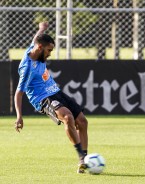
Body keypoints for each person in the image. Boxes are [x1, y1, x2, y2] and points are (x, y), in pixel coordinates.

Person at [14, 21, 89, 173]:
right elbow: (18, 93)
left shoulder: (34, 47)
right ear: (40, 48)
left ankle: (86, 159)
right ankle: (81, 157)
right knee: (68, 117)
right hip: (43, 99)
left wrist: (42, 28)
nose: (49, 54)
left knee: (82, 121)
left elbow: (36, 38)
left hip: (56, 92)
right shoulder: (27, 68)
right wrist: (19, 116)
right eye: (49, 50)